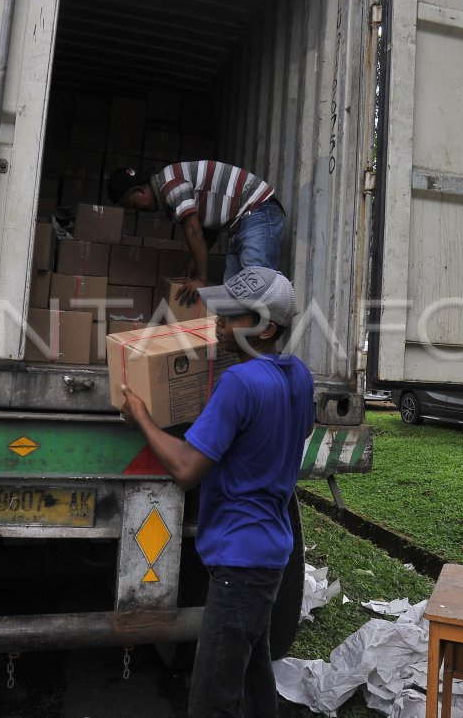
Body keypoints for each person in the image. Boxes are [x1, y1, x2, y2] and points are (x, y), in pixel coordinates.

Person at [117, 267, 313, 718]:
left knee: (211, 698)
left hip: (239, 560)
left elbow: (186, 469)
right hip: (269, 552)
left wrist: (142, 416)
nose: (218, 325)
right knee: (253, 677)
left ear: (265, 328)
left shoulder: (239, 383)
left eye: (231, 318)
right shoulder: (299, 376)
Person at [107, 161, 286, 305]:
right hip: (242, 225)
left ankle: (265, 343)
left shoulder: (170, 184)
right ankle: (244, 345)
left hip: (257, 212)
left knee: (255, 283)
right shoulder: (168, 196)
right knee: (233, 294)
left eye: (132, 205)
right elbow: (208, 230)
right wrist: (194, 263)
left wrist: (201, 278)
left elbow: (194, 230)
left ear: (139, 191)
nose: (137, 211)